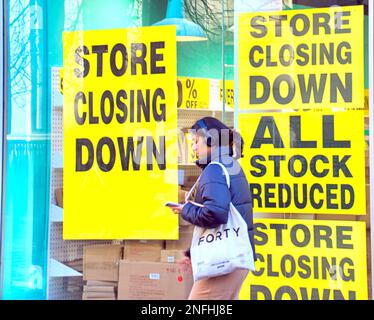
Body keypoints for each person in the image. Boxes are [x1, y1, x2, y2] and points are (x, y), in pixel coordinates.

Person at [168, 117, 256, 300]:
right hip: (234, 256)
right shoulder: (229, 165)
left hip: (223, 262)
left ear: (211, 141)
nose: (193, 147)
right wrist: (192, 253)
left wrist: (185, 210)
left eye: (196, 141)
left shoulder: (214, 170)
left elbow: (215, 213)